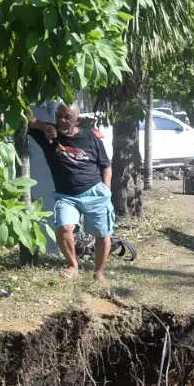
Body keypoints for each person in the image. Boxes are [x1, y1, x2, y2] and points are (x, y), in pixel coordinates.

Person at [28, 102, 113, 280]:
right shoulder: (48, 136)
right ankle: (72, 265)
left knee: (102, 233)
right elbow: (25, 120)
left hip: (94, 192)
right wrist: (44, 126)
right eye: (59, 117)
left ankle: (99, 272)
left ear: (76, 120)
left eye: (68, 118)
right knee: (64, 228)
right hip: (66, 196)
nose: (62, 121)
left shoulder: (90, 138)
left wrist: (106, 191)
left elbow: (105, 166)